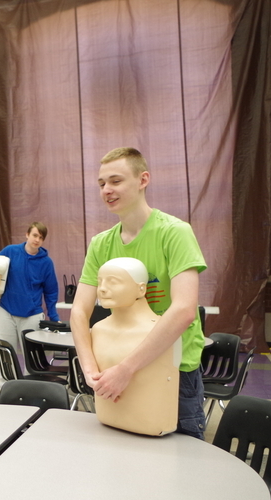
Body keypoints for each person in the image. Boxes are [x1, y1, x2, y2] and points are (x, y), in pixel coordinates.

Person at [70, 147, 207, 439]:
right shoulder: (100, 244)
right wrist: (89, 368)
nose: (106, 190)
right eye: (102, 183)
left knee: (179, 456)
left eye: (116, 181)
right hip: (113, 368)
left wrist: (127, 369)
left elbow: (184, 309)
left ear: (143, 180)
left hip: (173, 369)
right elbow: (79, 310)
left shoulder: (175, 233)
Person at [91, 257, 180, 436]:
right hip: (106, 426)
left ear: (141, 289)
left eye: (113, 282)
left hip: (152, 429)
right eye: (100, 282)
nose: (102, 288)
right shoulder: (98, 329)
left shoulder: (163, 333)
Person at [0, 222, 60, 391]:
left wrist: (54, 317)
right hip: (6, 312)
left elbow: (51, 291)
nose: (37, 240)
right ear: (27, 234)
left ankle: (29, 390)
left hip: (32, 315)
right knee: (4, 352)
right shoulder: (10, 251)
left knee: (31, 357)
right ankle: (4, 389)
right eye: (35, 235)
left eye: (41, 237)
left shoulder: (46, 263)